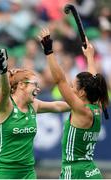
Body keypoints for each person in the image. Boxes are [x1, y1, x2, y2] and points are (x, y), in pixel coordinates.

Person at [0, 47, 71, 179]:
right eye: (35, 84)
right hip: (3, 171)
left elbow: (57, 106)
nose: (38, 88)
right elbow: (4, 91)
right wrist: (3, 72)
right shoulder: (5, 105)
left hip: (27, 171)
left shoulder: (34, 105)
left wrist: (83, 105)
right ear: (21, 85)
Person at [39, 28, 109, 179]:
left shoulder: (81, 109)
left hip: (75, 173)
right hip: (92, 172)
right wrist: (89, 56)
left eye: (73, 86)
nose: (70, 89)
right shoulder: (95, 106)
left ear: (82, 92)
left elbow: (59, 80)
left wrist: (49, 52)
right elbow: (93, 80)